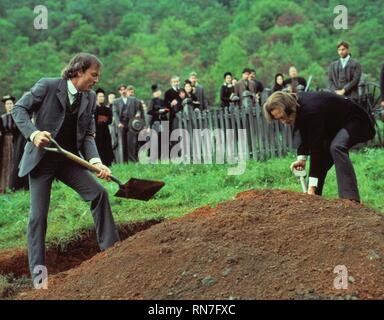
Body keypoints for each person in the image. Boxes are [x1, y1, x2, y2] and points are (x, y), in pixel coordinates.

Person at [11, 53, 120, 283]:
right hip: (42, 160)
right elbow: (19, 109)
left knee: (98, 194)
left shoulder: (89, 98)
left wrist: (96, 162)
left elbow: (88, 134)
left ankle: (113, 253)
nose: (96, 80)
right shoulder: (48, 86)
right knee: (38, 217)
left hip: (68, 160)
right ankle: (39, 278)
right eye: (94, 75)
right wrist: (34, 133)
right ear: (78, 71)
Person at [263, 91, 375, 202]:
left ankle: (350, 199)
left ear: (290, 108)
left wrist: (311, 185)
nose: (283, 122)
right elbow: (303, 133)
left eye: (283, 117)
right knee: (321, 161)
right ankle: (314, 200)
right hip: (335, 128)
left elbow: (316, 148)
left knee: (336, 147)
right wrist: (301, 159)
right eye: (279, 119)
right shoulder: (298, 106)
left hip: (357, 120)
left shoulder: (311, 109)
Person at [112, 85, 144, 162]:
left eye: (124, 89)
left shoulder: (133, 100)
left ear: (126, 90)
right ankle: (123, 161)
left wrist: (138, 113)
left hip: (131, 123)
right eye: (121, 90)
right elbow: (115, 113)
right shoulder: (116, 101)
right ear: (119, 91)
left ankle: (133, 160)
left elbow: (139, 108)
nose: (123, 91)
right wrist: (118, 123)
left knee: (131, 143)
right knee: (122, 143)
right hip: (121, 124)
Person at [147, 84, 169, 161]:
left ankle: (162, 156)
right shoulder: (152, 101)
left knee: (163, 139)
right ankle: (154, 156)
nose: (158, 92)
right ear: (153, 93)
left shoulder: (163, 101)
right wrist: (159, 111)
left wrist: (165, 111)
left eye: (159, 91)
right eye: (156, 91)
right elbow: (149, 111)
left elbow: (166, 109)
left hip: (163, 120)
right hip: (155, 121)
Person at [94, 88, 114, 167]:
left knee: (106, 147)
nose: (102, 98)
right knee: (98, 147)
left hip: (105, 131)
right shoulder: (93, 108)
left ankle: (107, 163)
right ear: (96, 97)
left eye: (103, 96)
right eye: (100, 96)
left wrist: (101, 119)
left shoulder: (107, 109)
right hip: (96, 131)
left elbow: (110, 120)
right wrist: (103, 119)